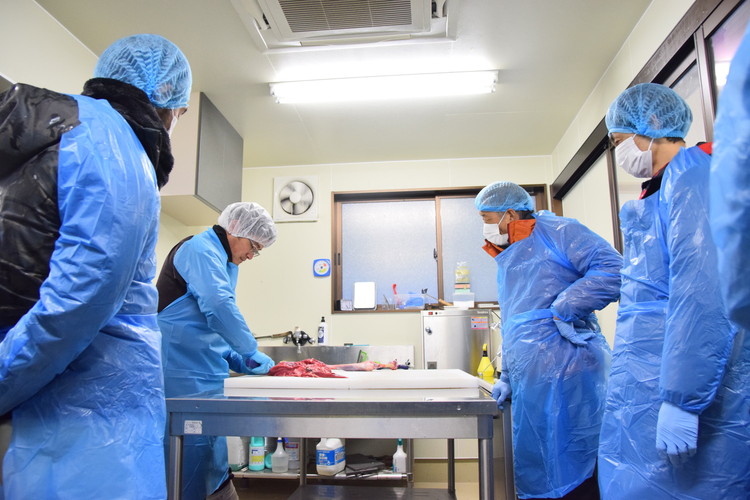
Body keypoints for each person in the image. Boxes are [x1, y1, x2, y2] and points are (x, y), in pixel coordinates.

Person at [0, 34, 191, 499]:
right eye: (181, 112)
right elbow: (78, 303)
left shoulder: (73, 129)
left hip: (46, 405)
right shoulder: (117, 149)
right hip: (90, 418)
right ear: (167, 99)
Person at [598, 82, 750, 499]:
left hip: (692, 382)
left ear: (650, 124)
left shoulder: (693, 175)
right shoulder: (661, 189)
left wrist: (683, 398)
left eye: (619, 140)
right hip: (653, 374)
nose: (619, 151)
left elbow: (704, 292)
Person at [476, 182, 622, 500]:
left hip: (571, 365)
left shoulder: (558, 232)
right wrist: (507, 374)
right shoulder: (509, 255)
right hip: (532, 374)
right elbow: (515, 320)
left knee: (578, 455)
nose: (485, 227)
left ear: (509, 213)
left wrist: (566, 306)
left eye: (487, 218)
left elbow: (613, 269)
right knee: (540, 456)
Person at [157, 201, 277, 500]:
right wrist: (249, 348)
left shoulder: (226, 263)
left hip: (207, 375)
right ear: (234, 229)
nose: (252, 255)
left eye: (258, 251)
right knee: (185, 461)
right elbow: (219, 307)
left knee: (211, 457)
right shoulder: (199, 249)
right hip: (179, 374)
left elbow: (211, 327)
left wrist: (239, 358)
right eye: (253, 246)